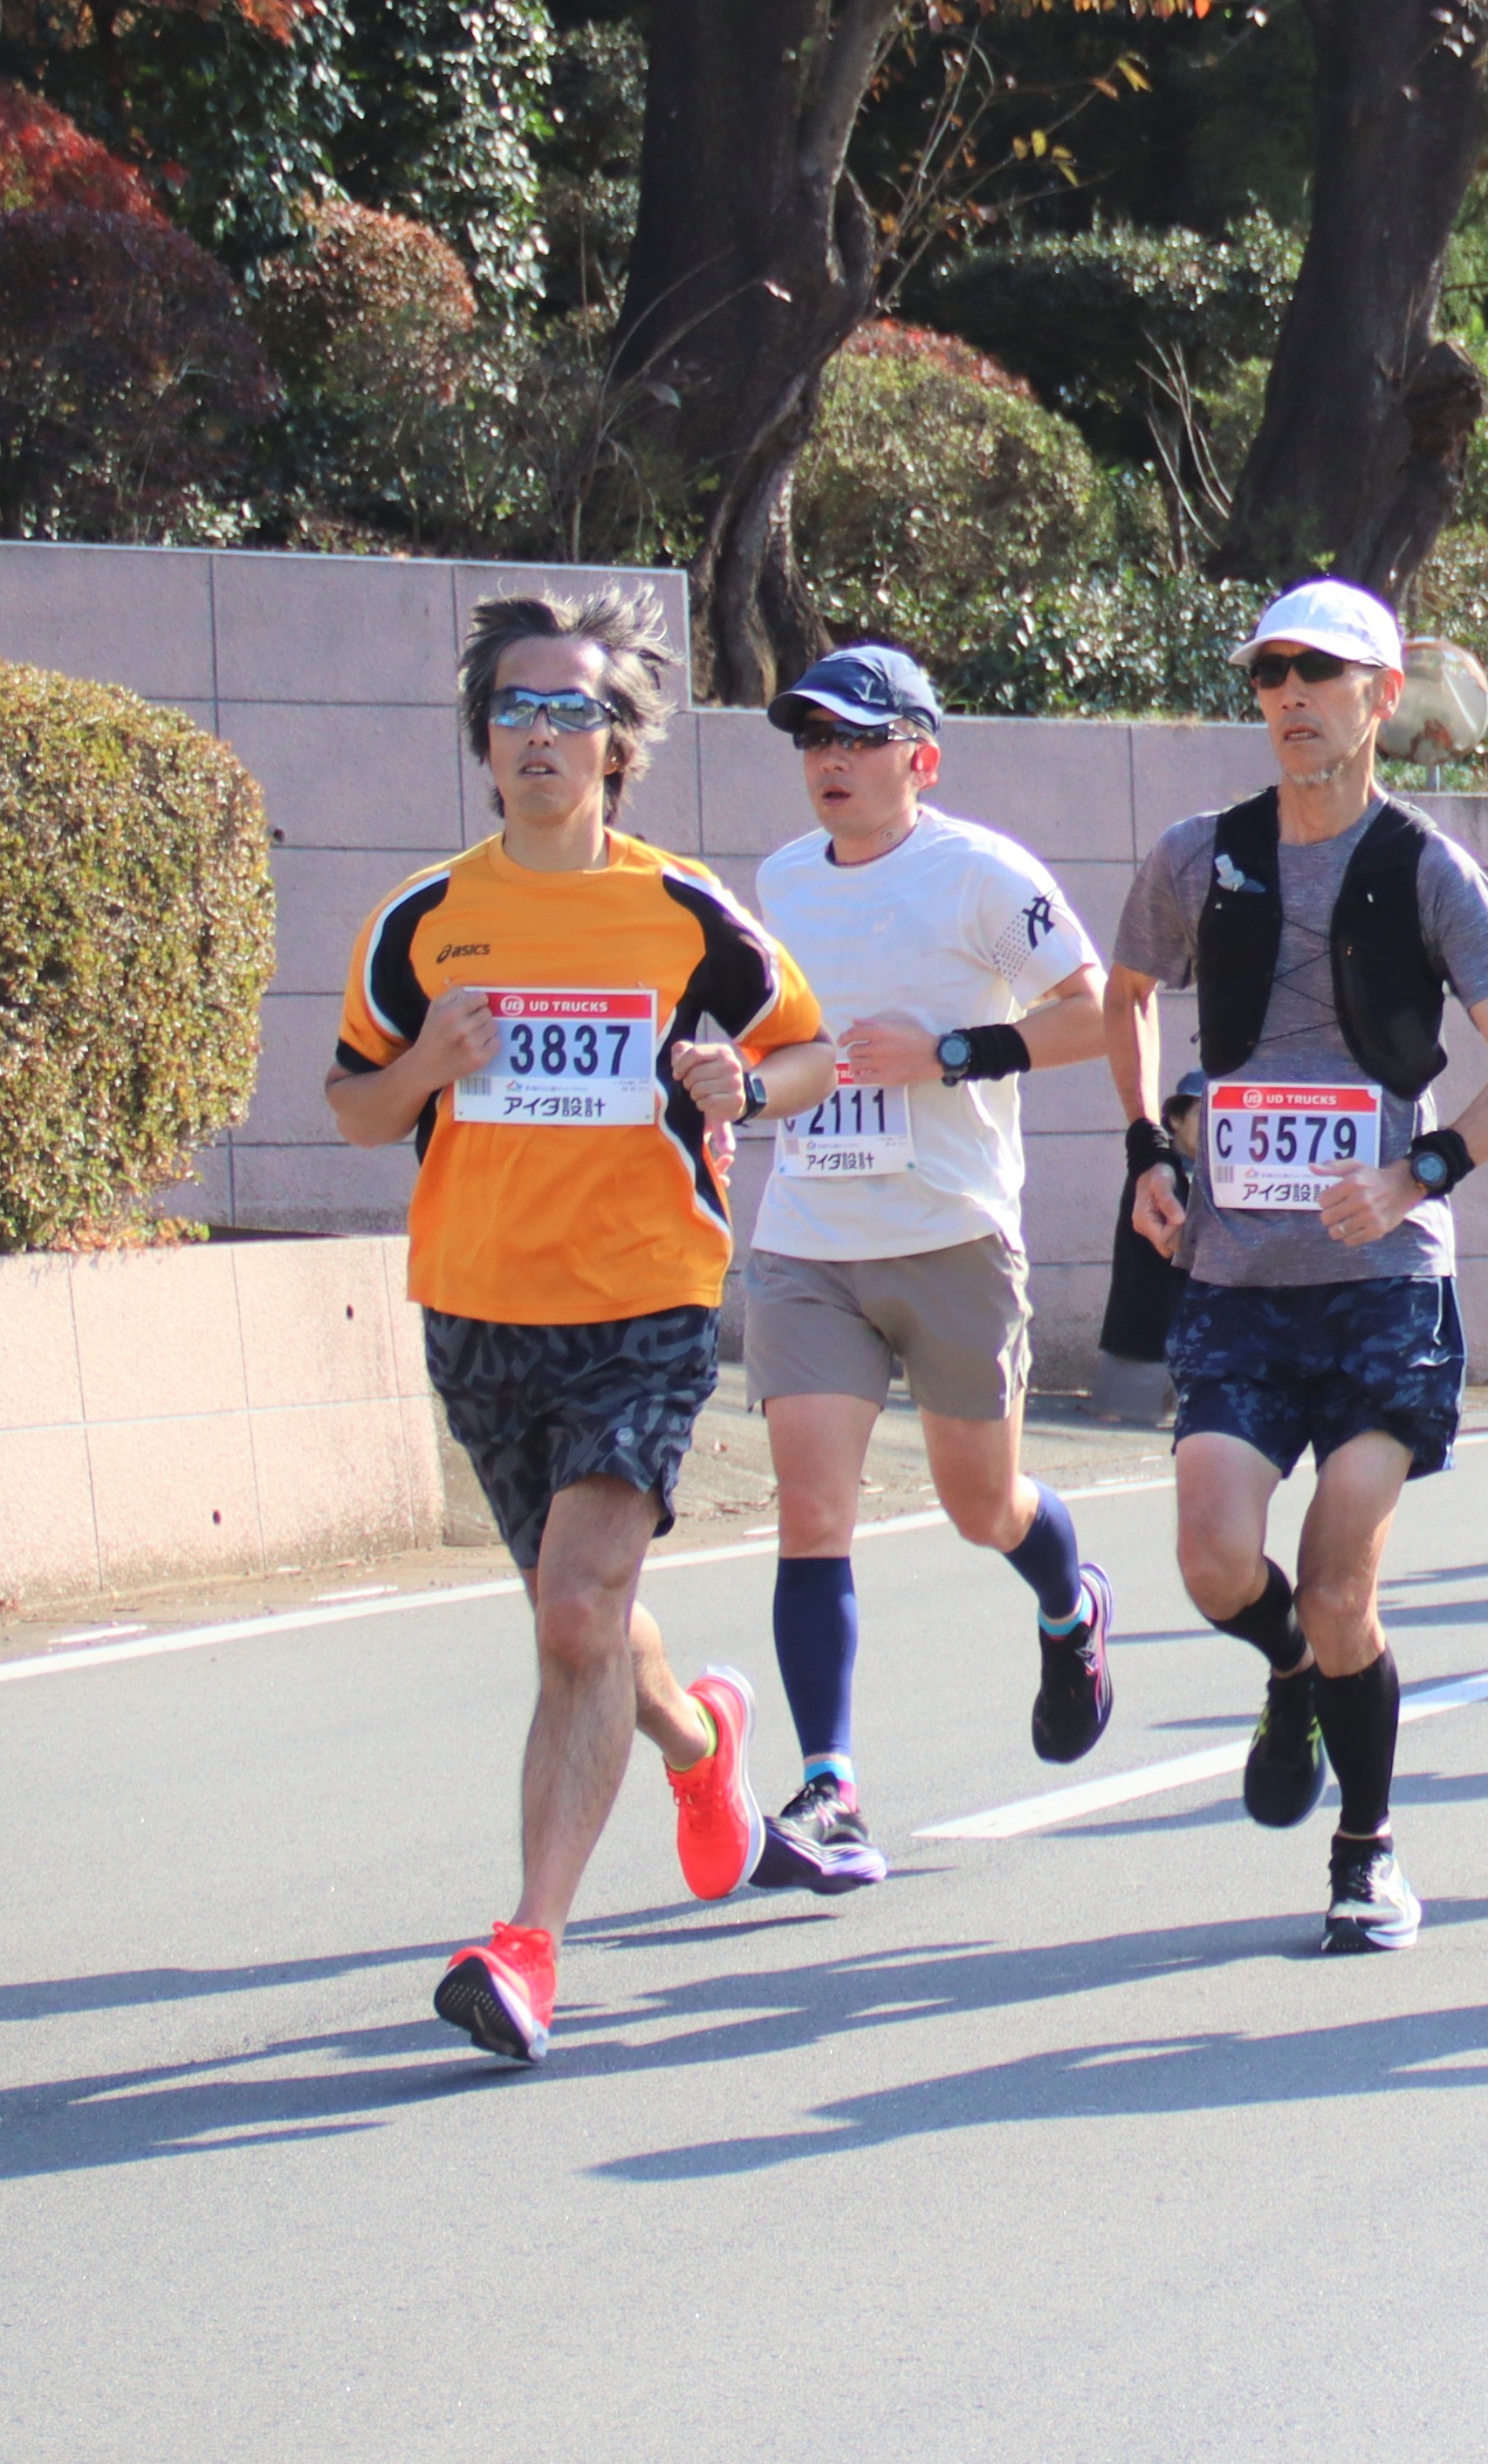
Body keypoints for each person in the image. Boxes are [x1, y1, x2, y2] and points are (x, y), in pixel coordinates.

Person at [329, 589, 833, 2063]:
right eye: (516, 708)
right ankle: (704, 1739)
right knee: (582, 1613)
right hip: (479, 1308)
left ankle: (527, 1944)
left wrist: (745, 1084)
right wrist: (426, 1062)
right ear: (483, 737)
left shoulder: (681, 909)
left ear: (620, 742)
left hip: (643, 1300)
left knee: (572, 1612)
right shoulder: (424, 917)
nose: (541, 733)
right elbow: (353, 1104)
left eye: (573, 710)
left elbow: (805, 1047)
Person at [1106, 580, 1488, 1955]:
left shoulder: (1425, 867)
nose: (1288, 693)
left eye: (1317, 670)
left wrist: (1418, 1170)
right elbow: (1124, 995)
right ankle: (1289, 1669)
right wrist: (1148, 1147)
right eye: (1268, 672)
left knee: (1338, 1580)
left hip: (1381, 1286)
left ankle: (1366, 1850)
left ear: (1381, 694)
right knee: (1210, 1557)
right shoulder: (1198, 854)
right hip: (1237, 1280)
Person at [737, 645, 1124, 1893]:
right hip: (809, 1239)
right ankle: (831, 1788)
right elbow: (773, 1038)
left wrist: (951, 1048)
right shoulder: (779, 881)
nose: (829, 761)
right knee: (812, 1508)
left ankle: (1069, 1603)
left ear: (922, 757)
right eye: (813, 739)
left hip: (953, 1232)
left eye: (856, 739)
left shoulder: (981, 873)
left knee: (979, 1504)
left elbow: (1096, 1009)